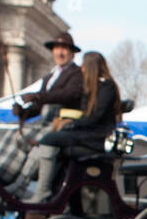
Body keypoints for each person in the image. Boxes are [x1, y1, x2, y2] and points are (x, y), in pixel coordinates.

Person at [0, 33, 83, 188]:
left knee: (26, 136)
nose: (59, 53)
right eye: (57, 49)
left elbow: (69, 95)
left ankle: (12, 181)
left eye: (64, 49)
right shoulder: (50, 77)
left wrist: (38, 96)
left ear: (72, 53)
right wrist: (24, 112)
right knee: (14, 134)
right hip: (43, 119)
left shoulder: (76, 74)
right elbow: (39, 106)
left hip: (60, 122)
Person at [22, 51, 121, 204]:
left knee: (48, 139)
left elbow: (94, 117)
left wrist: (71, 122)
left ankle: (42, 191)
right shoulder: (94, 88)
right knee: (47, 141)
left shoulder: (106, 87)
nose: (82, 69)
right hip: (86, 134)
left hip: (96, 138)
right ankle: (29, 185)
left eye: (84, 65)